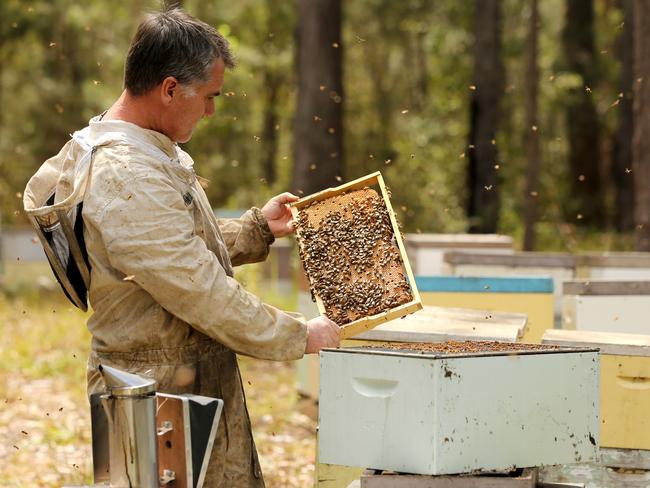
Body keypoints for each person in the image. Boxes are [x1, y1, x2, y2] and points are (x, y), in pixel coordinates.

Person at [24, 7, 340, 488]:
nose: (211, 110)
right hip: (158, 393)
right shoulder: (126, 172)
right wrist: (300, 335)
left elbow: (171, 246)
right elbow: (198, 288)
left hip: (179, 382)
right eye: (209, 97)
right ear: (170, 88)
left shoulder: (142, 150)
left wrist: (257, 228)